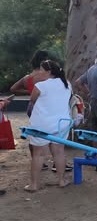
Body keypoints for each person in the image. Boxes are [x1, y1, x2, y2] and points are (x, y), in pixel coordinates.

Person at [25, 60, 71, 192]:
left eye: (41, 70)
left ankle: (34, 184)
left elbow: (32, 100)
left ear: (49, 72)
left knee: (38, 154)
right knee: (59, 151)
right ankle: (61, 181)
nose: (39, 72)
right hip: (61, 123)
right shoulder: (67, 84)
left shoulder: (40, 86)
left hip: (42, 124)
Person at [10, 50, 53, 170]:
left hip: (31, 106)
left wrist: (29, 91)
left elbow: (13, 88)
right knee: (53, 133)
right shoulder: (45, 77)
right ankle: (56, 161)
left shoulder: (27, 78)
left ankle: (37, 160)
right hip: (44, 106)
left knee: (35, 132)